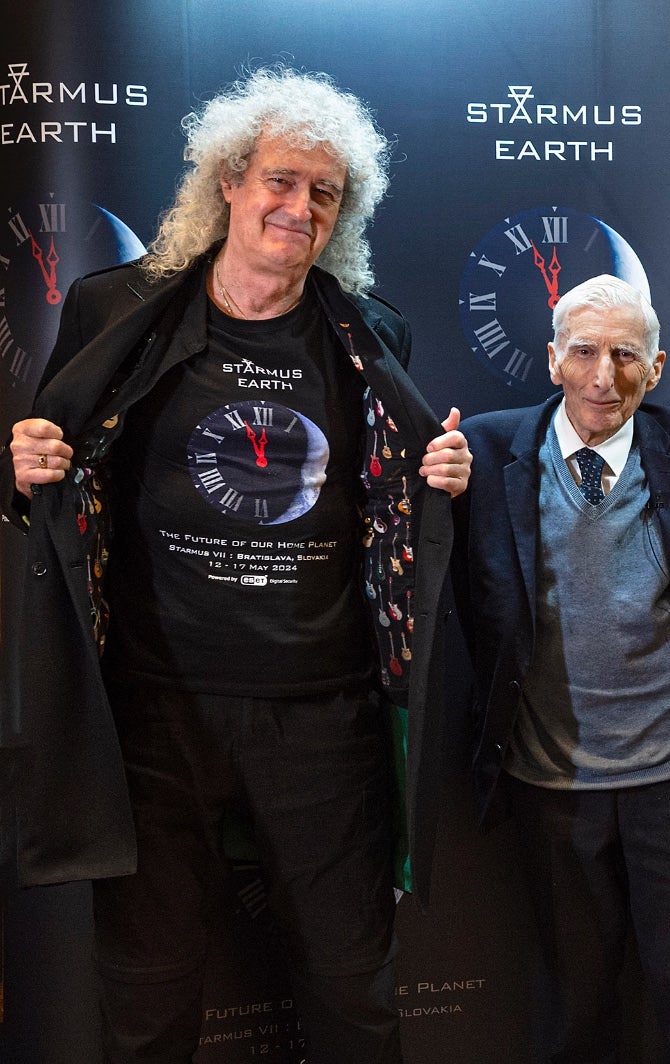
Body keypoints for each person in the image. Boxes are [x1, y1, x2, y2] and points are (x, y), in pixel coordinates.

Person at [3, 67, 472, 1063]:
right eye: (281, 180)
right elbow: (52, 463)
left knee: (353, 983)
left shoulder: (367, 332)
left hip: (322, 711)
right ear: (229, 181)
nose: (299, 207)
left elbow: (395, 492)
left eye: (324, 193)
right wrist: (23, 463)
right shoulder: (115, 309)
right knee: (147, 986)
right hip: (151, 712)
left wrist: (442, 475)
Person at [453, 274, 670, 1063]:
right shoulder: (483, 449)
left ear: (655, 370)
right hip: (552, 781)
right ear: (551, 360)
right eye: (583, 352)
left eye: (625, 356)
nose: (601, 377)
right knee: (573, 1007)